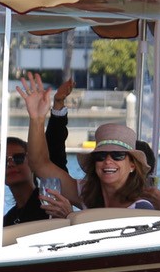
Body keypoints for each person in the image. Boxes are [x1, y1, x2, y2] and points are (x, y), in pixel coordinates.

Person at [18, 73, 153, 211]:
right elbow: (39, 164)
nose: (107, 161)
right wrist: (37, 118)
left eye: (117, 155)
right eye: (100, 156)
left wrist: (71, 217)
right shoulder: (87, 195)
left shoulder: (142, 208)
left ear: (132, 165)